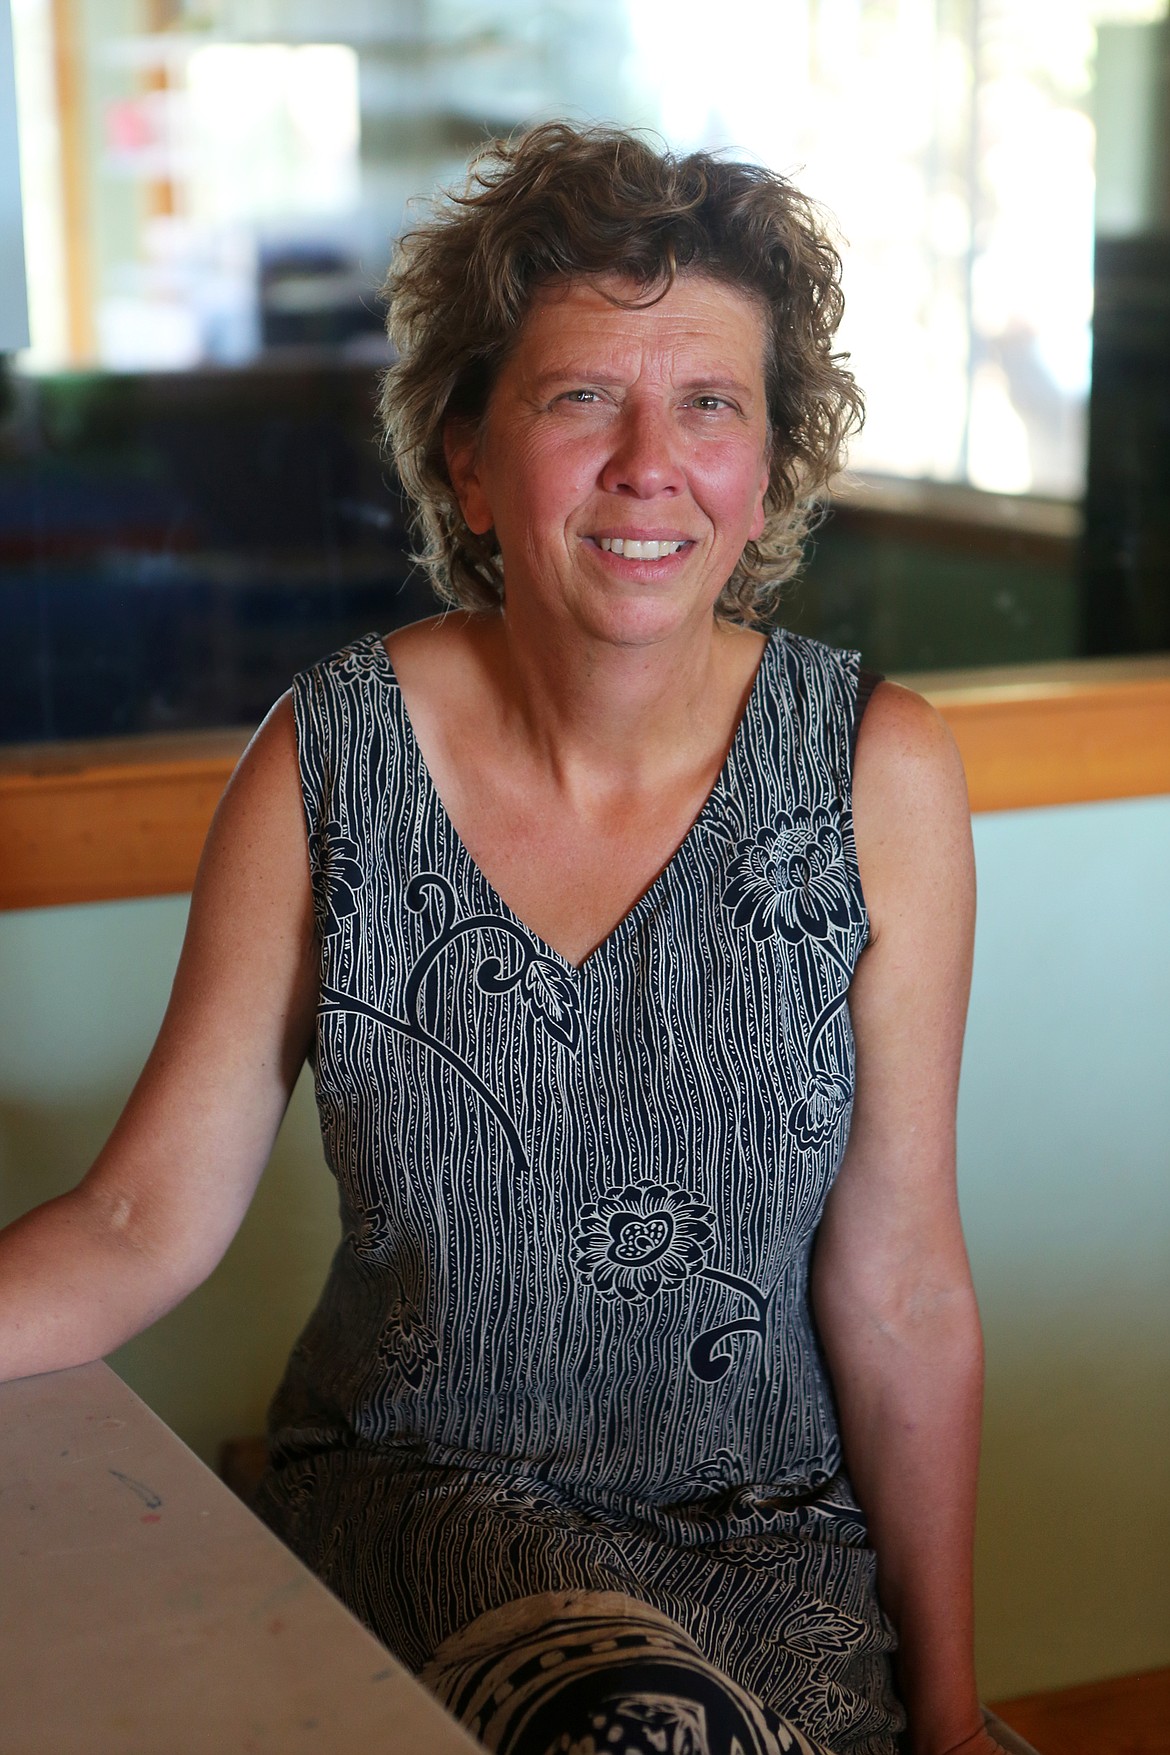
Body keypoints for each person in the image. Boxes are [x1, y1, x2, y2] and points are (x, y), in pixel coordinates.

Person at [0, 123, 995, 1755]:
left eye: (710, 405)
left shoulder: (880, 773)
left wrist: (952, 1720)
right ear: (466, 457)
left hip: (769, 1540)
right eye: (579, 397)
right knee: (638, 1727)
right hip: (423, 1505)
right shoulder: (327, 759)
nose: (646, 463)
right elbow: (132, 1221)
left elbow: (899, 1292)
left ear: (766, 465)